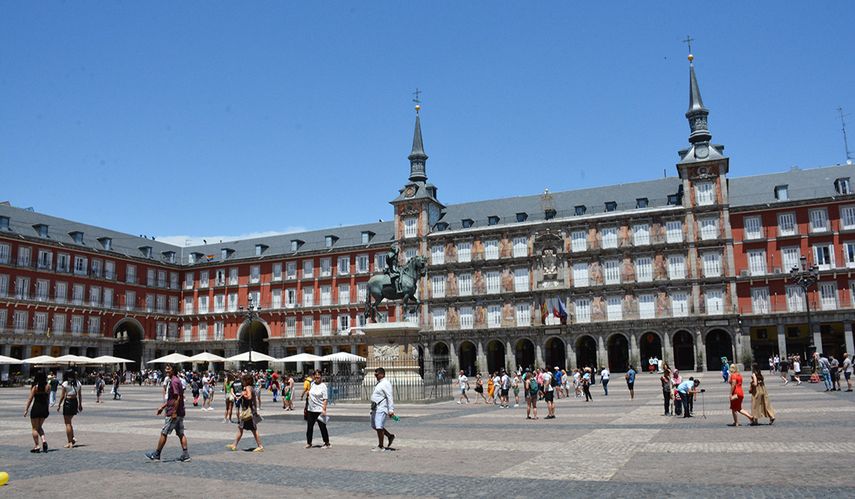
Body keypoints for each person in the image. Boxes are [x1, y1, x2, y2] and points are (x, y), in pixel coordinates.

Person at [146, 364, 190, 461]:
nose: (166, 370)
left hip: (173, 412)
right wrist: (163, 406)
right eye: (166, 368)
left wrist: (173, 412)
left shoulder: (174, 381)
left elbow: (177, 398)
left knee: (164, 432)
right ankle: (186, 455)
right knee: (180, 433)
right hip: (179, 411)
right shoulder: (175, 380)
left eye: (169, 368)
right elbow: (172, 399)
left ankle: (157, 454)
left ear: (173, 370)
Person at [227, 374, 264, 452]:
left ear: (247, 381)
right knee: (241, 428)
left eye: (243, 380)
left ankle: (260, 446)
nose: (242, 382)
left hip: (248, 412)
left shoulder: (248, 388)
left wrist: (244, 395)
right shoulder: (250, 387)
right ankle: (234, 445)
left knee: (252, 429)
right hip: (250, 411)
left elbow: (249, 397)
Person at [24, 371, 51, 453]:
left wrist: (26, 409)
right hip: (44, 408)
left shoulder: (35, 387)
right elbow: (48, 399)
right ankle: (44, 440)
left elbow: (30, 399)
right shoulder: (48, 386)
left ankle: (37, 446)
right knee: (39, 427)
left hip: (36, 408)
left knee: (34, 428)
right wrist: (47, 408)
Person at [370, 367, 395, 451]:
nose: (375, 376)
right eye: (375, 374)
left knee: (379, 426)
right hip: (375, 407)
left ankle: (381, 446)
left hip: (381, 407)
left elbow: (389, 396)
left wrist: (391, 410)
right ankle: (389, 436)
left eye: (376, 374)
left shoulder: (386, 383)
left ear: (382, 374)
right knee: (374, 426)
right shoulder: (379, 383)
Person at [304, 370, 330, 449]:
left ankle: (327, 443)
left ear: (321, 376)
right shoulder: (312, 384)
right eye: (315, 375)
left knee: (322, 427)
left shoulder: (323, 386)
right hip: (311, 410)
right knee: (309, 427)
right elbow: (309, 393)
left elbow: (325, 399)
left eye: (318, 375)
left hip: (319, 410)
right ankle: (309, 443)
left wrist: (324, 409)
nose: (317, 376)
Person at [57, 369, 82, 448]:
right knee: (69, 422)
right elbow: (80, 395)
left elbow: (62, 396)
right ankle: (72, 437)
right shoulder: (78, 383)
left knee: (67, 423)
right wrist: (80, 405)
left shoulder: (65, 383)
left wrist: (59, 404)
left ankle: (70, 442)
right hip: (75, 402)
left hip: (68, 402)